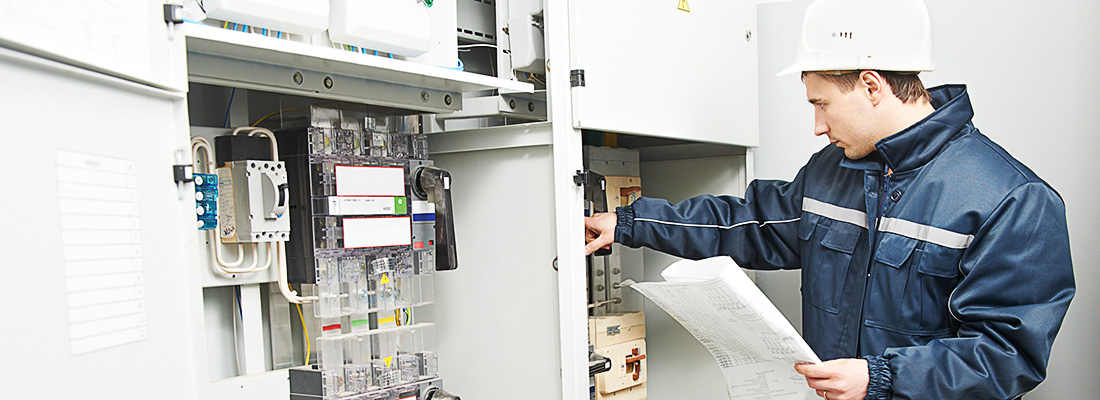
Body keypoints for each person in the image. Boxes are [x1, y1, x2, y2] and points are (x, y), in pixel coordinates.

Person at [583, 0, 1075, 399]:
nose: (817, 126)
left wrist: (882, 378)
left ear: (870, 85)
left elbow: (1008, 354)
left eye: (821, 104)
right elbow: (751, 223)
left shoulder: (1014, 201)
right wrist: (627, 223)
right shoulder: (832, 169)